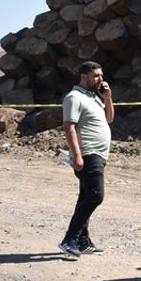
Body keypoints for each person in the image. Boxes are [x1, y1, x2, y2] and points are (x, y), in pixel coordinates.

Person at [58, 60, 115, 257]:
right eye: (95, 76)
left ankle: (82, 241)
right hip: (88, 154)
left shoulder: (94, 96)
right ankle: (70, 239)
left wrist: (107, 97)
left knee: (85, 197)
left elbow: (109, 118)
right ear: (84, 76)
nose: (100, 79)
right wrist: (77, 155)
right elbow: (69, 127)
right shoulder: (74, 97)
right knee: (95, 196)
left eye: (101, 75)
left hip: (99, 154)